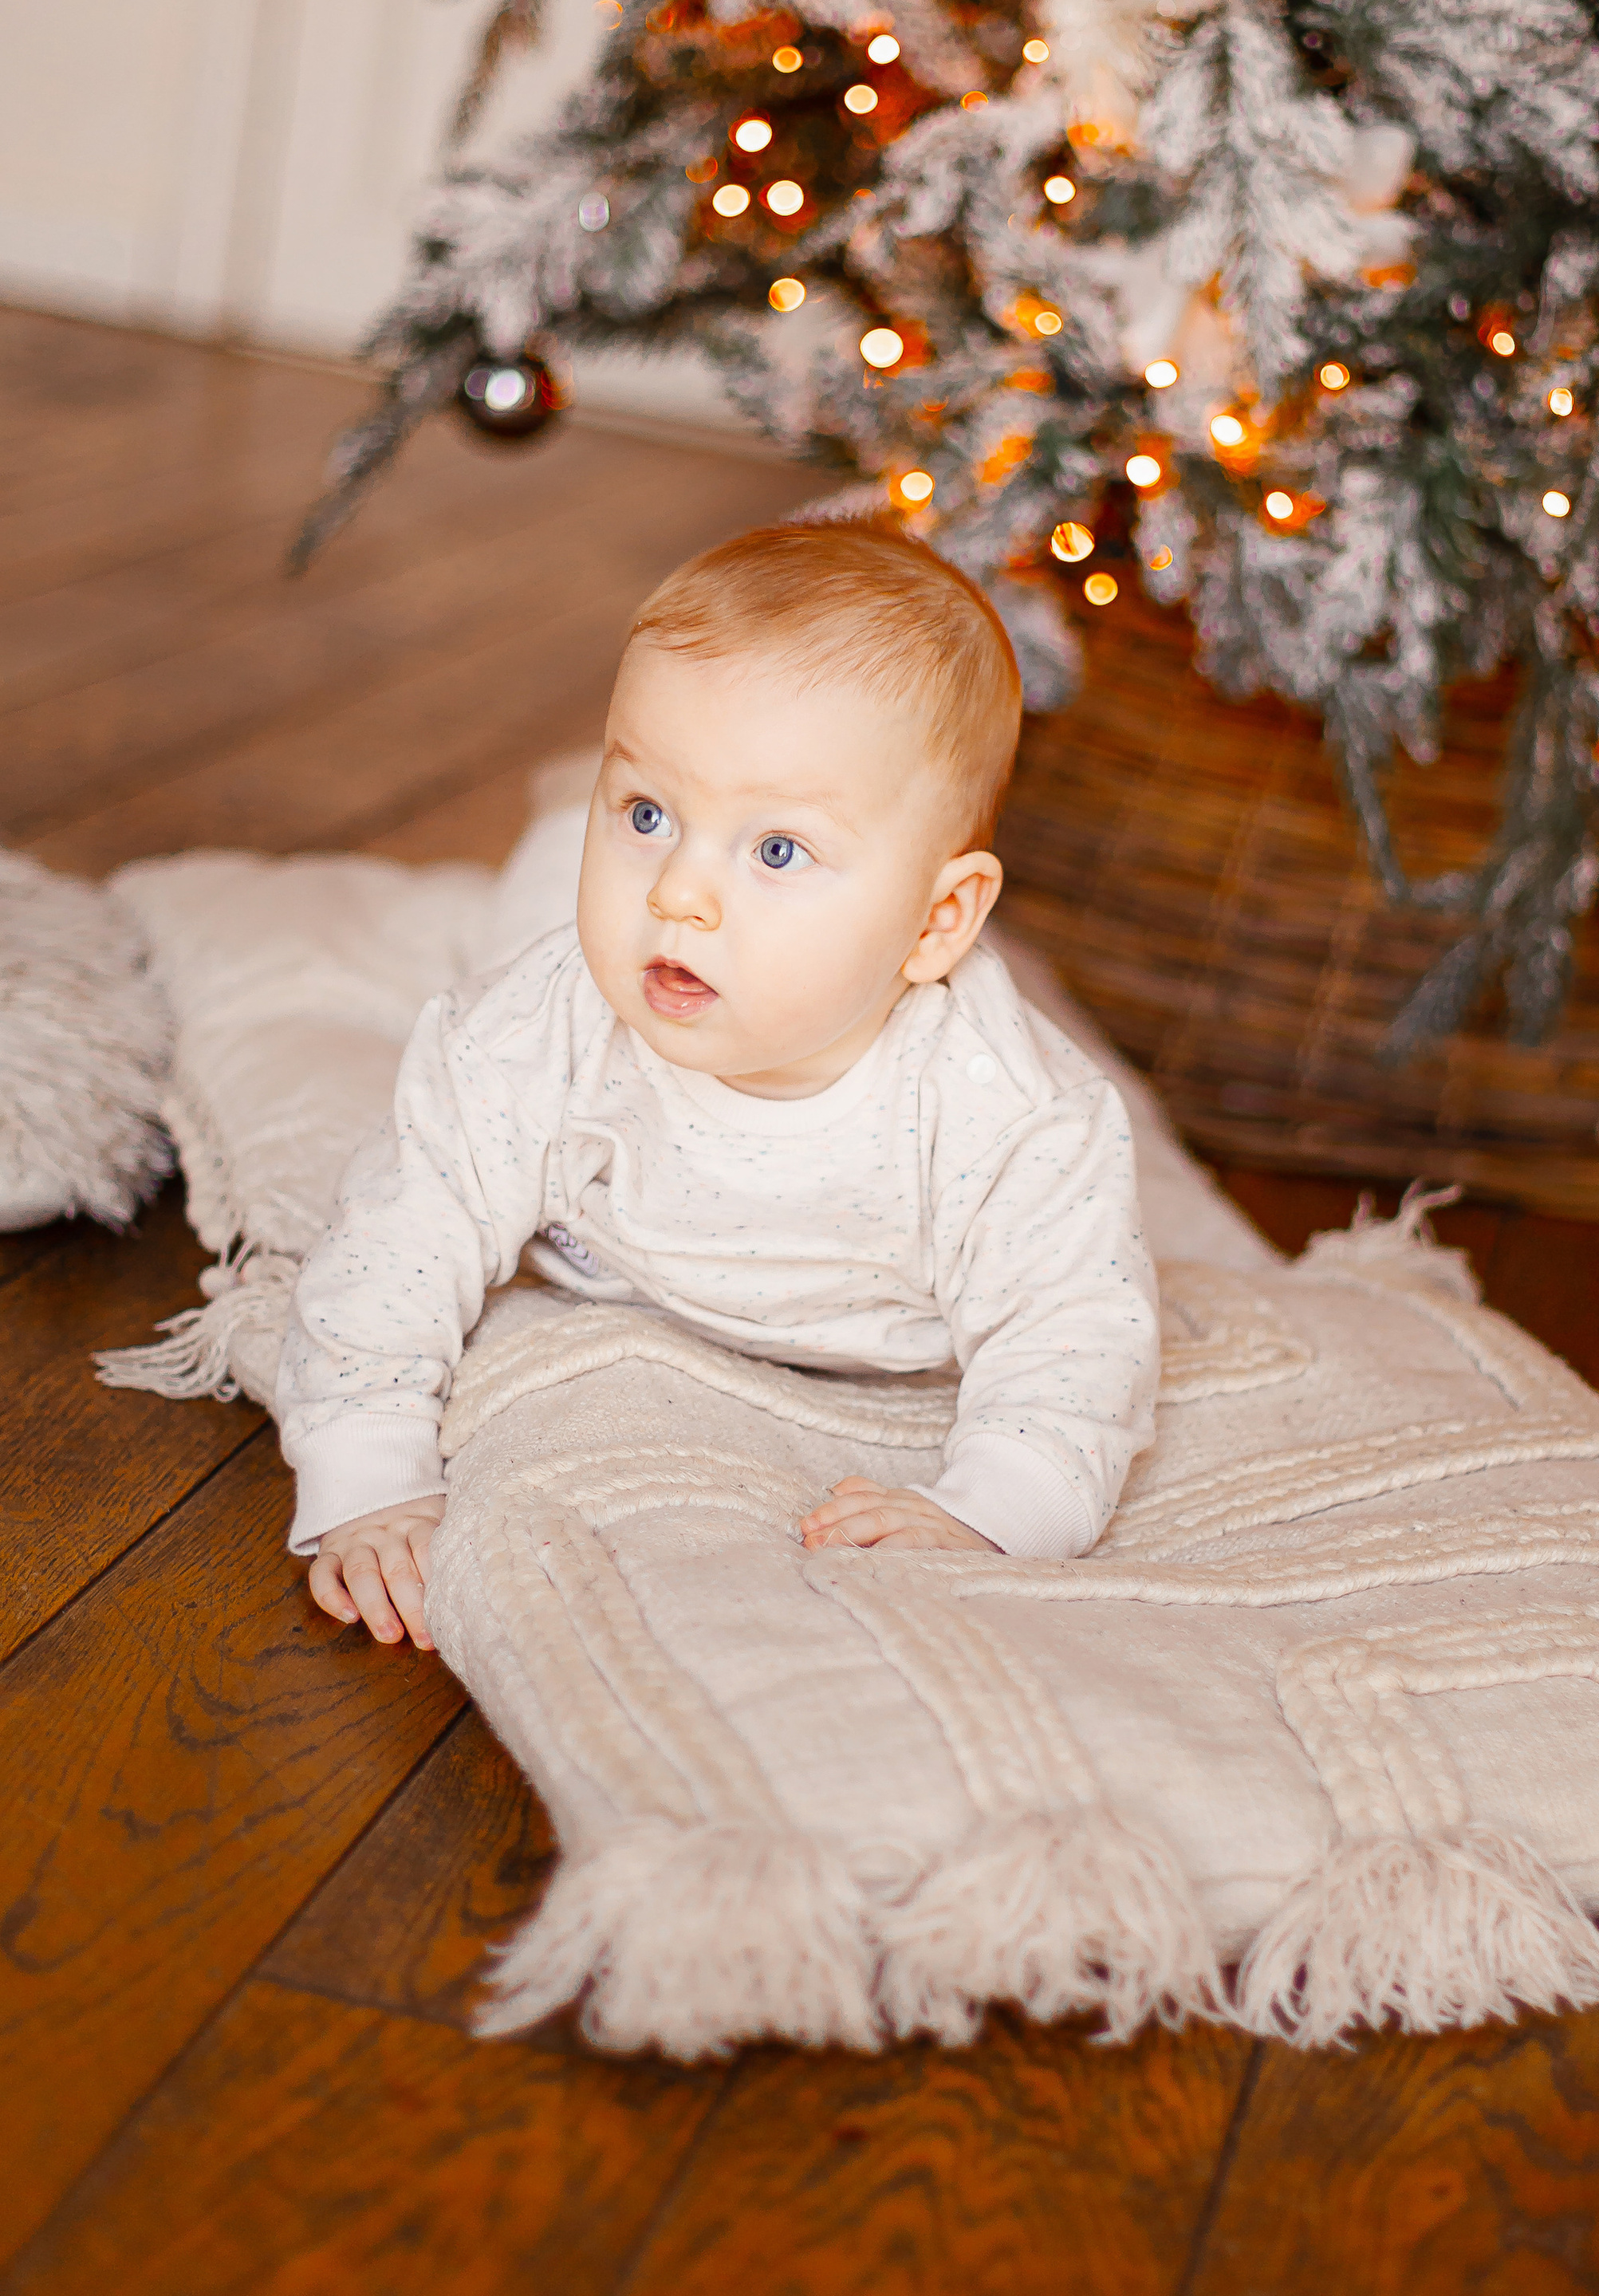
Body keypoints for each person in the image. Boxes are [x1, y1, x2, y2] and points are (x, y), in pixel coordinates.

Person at [279, 518, 1159, 1648]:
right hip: (559, 984)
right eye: (646, 815)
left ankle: (579, 824)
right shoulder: (542, 1030)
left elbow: (1080, 1339)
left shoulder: (1013, 1116)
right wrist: (367, 1472)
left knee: (575, 901)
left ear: (938, 921)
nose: (682, 892)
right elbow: (397, 1237)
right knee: (536, 924)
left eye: (777, 850)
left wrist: (992, 1510)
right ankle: (568, 820)